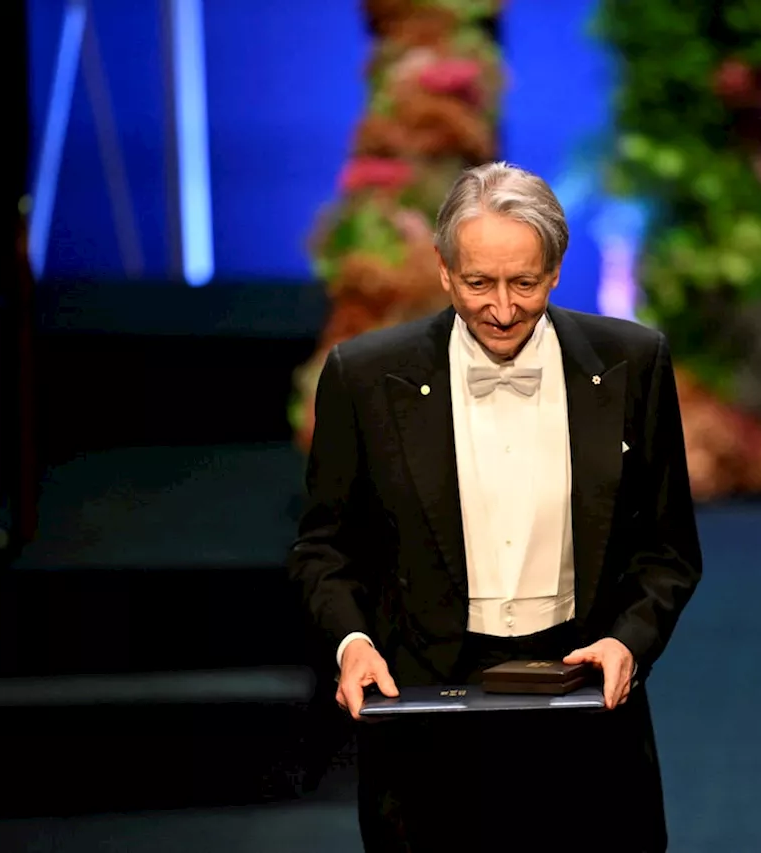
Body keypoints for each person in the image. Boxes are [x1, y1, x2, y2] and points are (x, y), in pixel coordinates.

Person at [288, 161, 702, 852]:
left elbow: (668, 548)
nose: (502, 308)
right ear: (445, 271)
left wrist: (630, 639)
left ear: (558, 270)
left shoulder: (633, 364)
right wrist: (352, 642)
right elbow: (323, 547)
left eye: (525, 282)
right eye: (479, 282)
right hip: (427, 712)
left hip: (583, 706)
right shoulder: (363, 377)